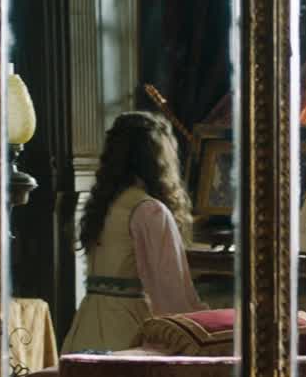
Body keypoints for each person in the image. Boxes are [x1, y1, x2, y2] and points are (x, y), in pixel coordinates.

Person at [63, 111, 207, 353]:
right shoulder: (149, 210)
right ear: (158, 159)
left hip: (85, 330)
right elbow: (172, 296)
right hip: (127, 335)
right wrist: (209, 325)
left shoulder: (104, 205)